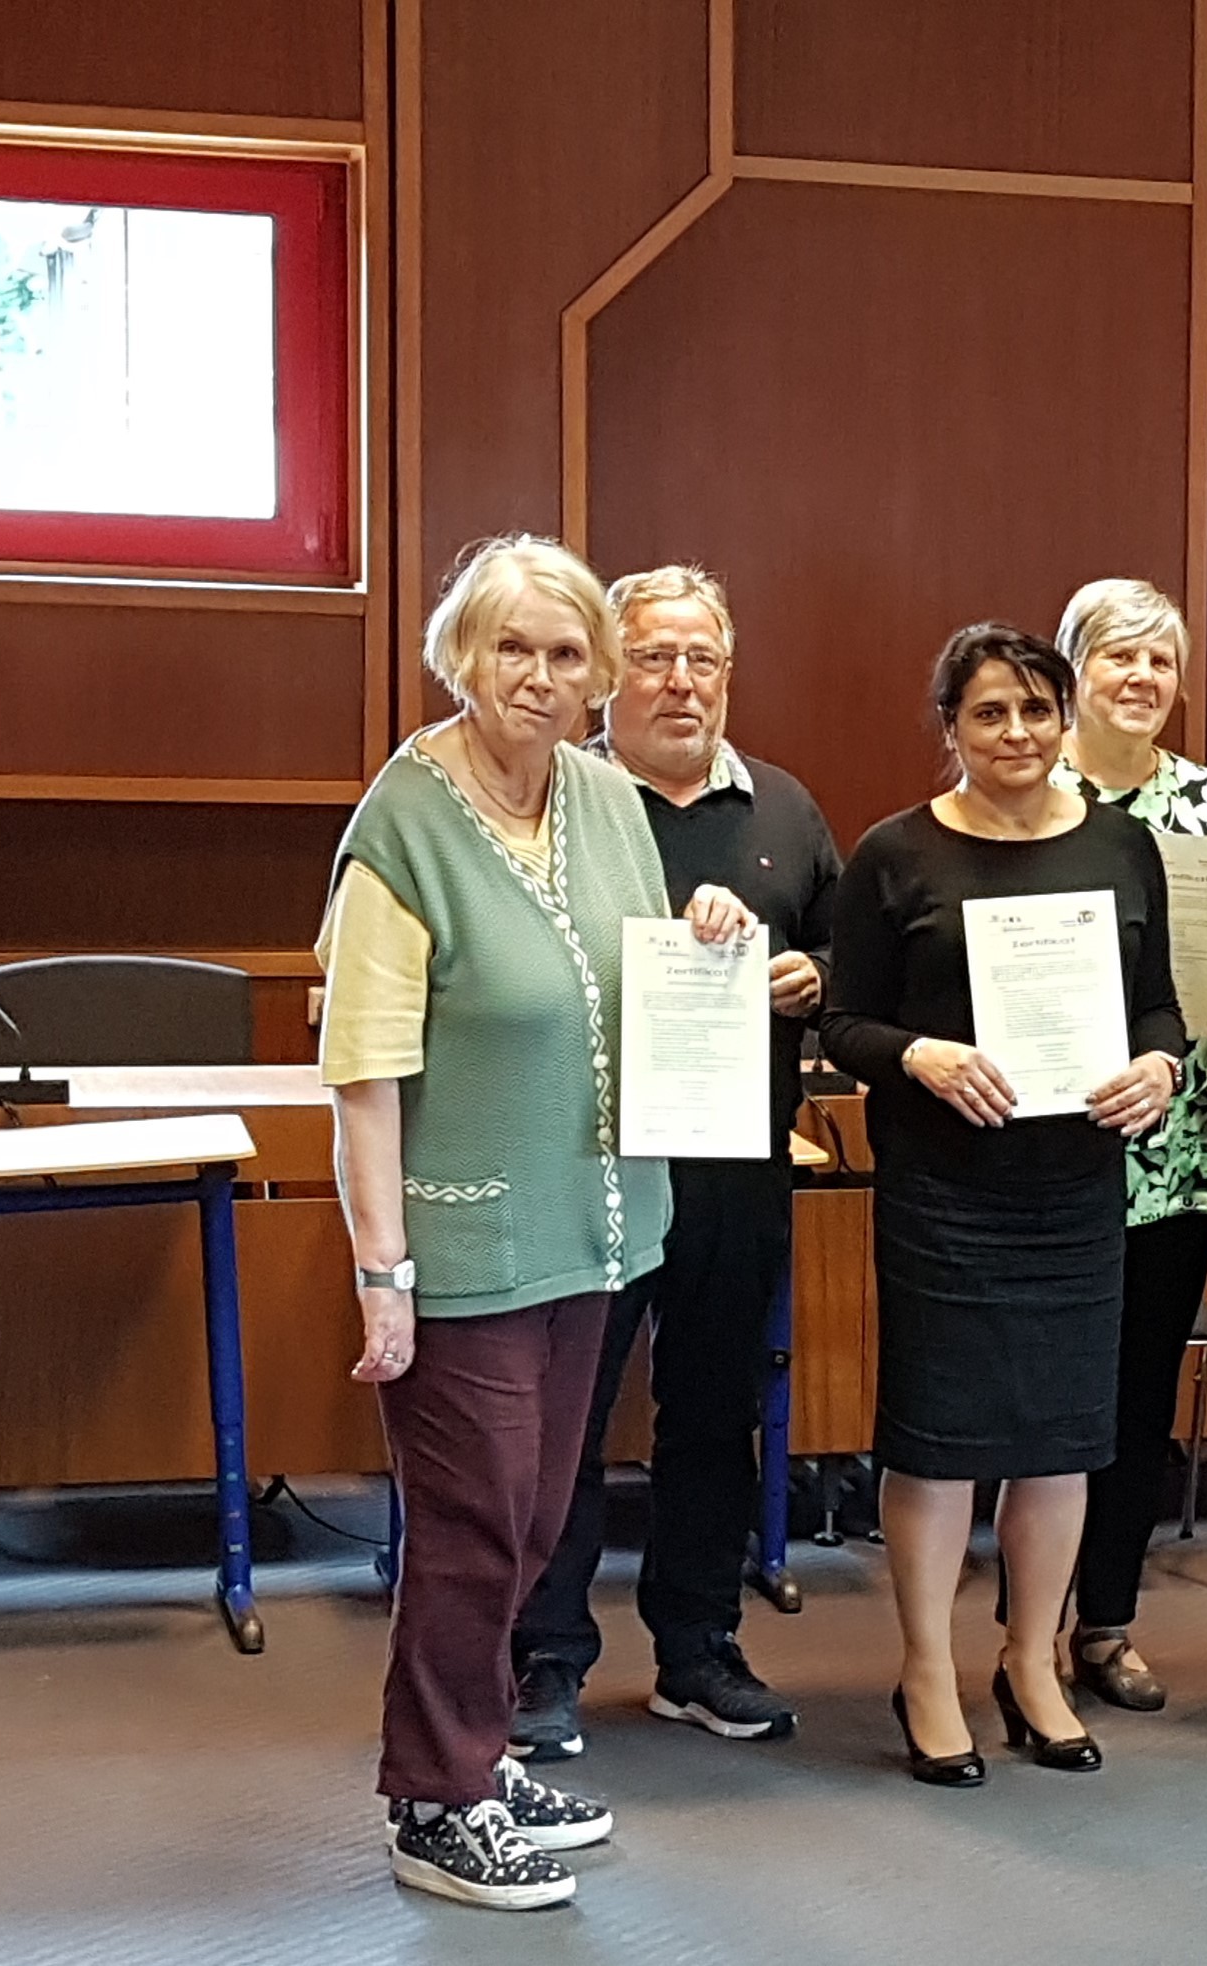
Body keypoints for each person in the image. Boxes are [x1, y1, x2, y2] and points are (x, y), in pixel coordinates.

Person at [319, 534, 757, 1909]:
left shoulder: (603, 793)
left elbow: (623, 964)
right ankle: (433, 1800)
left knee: (531, 1522)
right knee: (468, 1526)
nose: (543, 676)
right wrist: (382, 1270)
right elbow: (364, 1075)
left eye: (569, 654)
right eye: (515, 646)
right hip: (461, 1246)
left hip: (598, 1228)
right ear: (463, 653)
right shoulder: (404, 822)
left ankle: (478, 1748)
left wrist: (709, 923)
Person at [816, 624, 1187, 1787]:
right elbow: (839, 1022)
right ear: (950, 729)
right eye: (990, 714)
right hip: (945, 1192)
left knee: (1061, 1442)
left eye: (1037, 710)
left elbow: (1161, 1005)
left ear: (1064, 717)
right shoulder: (895, 854)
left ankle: (1029, 1661)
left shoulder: (1124, 845)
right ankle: (926, 1668)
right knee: (937, 1440)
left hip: (1075, 1191)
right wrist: (918, 1054)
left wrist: (1161, 1067)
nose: (1017, 734)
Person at [507, 563, 842, 1761]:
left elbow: (845, 973)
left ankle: (697, 1647)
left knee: (714, 1414)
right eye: (653, 656)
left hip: (734, 1170)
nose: (680, 681)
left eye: (702, 659)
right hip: (584, 1164)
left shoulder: (788, 811)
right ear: (607, 674)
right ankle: (543, 1656)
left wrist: (815, 981)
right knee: (566, 1420)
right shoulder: (558, 802)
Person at [1041, 577, 1207, 1717]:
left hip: (1175, 1142)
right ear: (1073, 667)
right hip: (1047, 1138)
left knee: (1134, 1393)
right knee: (1044, 1389)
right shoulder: (1030, 787)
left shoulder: (1206, 803)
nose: (1139, 679)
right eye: (1117, 656)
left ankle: (1105, 1622)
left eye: (1159, 661)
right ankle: (1024, 1624)